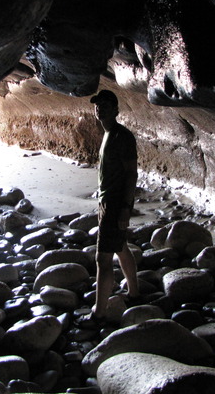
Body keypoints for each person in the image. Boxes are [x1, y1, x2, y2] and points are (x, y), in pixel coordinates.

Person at [88, 89, 140, 321]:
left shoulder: (122, 137)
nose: (100, 109)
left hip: (114, 203)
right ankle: (135, 293)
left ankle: (99, 312)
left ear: (116, 110)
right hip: (107, 201)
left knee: (103, 258)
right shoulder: (108, 134)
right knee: (121, 247)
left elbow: (131, 174)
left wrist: (125, 208)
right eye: (98, 105)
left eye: (106, 105)